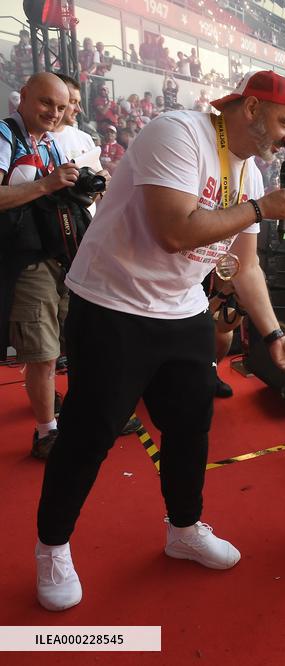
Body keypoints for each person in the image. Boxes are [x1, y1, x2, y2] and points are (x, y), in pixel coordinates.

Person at [33, 71, 285, 612]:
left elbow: (246, 267)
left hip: (182, 310)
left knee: (190, 427)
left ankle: (183, 528)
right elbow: (175, 232)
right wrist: (259, 211)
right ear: (251, 108)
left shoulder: (250, 174)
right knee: (90, 432)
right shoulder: (178, 133)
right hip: (114, 305)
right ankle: (52, 547)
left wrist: (273, 334)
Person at [0, 73, 78, 459]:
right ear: (25, 96)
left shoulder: (48, 143)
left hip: (55, 256)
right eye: (47, 103)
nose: (54, 112)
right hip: (24, 261)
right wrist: (48, 185)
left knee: (60, 345)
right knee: (43, 351)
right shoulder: (3, 135)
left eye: (61, 107)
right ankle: (46, 434)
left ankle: (58, 421)